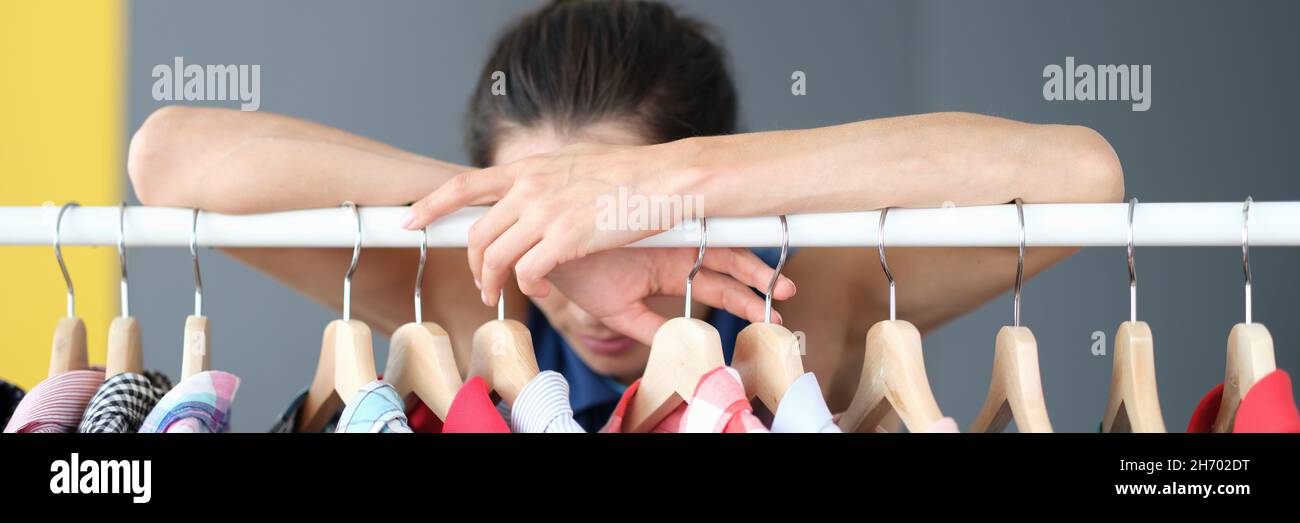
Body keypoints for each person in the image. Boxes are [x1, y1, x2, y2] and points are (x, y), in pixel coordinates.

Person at [127, 0, 1123, 431]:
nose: (578, 268)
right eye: (537, 218)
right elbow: (167, 158)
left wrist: (673, 188)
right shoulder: (477, 303)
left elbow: (1080, 175)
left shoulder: (814, 298)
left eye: (610, 222)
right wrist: (534, 220)